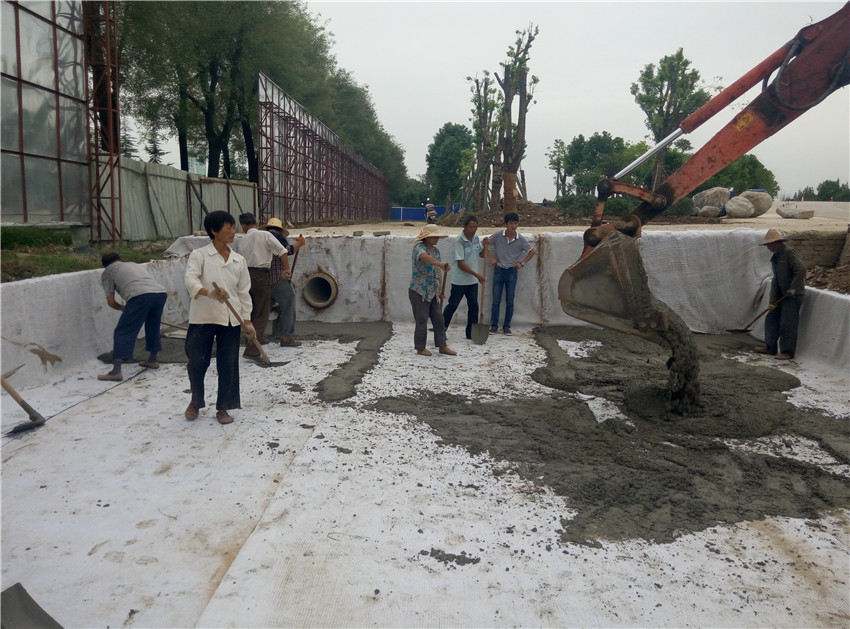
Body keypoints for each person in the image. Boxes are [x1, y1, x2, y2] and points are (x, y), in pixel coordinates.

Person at [184, 211, 256, 425]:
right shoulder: (199, 255)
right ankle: (196, 401)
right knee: (197, 361)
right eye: (229, 228)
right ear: (214, 231)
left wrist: (248, 320)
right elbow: (190, 279)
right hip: (203, 317)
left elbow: (244, 291)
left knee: (228, 364)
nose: (234, 232)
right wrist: (209, 293)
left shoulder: (238, 260)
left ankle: (223, 406)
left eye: (234, 227)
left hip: (230, 321)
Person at [97, 253, 167, 381]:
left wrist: (123, 308)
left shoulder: (107, 272)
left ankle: (116, 371)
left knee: (123, 331)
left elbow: (111, 302)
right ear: (120, 259)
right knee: (153, 326)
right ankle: (152, 360)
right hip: (160, 294)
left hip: (139, 296)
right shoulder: (132, 264)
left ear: (104, 265)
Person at [237, 212, 287, 358]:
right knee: (261, 313)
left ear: (243, 225)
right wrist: (287, 269)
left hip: (245, 276)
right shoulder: (264, 236)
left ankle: (255, 340)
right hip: (261, 275)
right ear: (256, 222)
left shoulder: (242, 241)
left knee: (251, 311)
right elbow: (283, 251)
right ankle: (252, 350)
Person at [754, 228, 806, 360]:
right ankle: (770, 347)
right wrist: (772, 301)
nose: (768, 247)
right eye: (767, 245)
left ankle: (787, 352)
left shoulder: (789, 253)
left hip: (793, 295)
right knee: (771, 319)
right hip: (782, 294)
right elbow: (776, 280)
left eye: (770, 244)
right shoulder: (775, 258)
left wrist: (793, 288)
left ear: (777, 243)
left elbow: (801, 270)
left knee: (787, 323)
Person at [409, 224, 457, 357]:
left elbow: (438, 272)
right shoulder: (419, 248)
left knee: (439, 319)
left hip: (432, 292)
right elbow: (424, 257)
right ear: (427, 237)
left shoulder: (436, 251)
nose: (437, 238)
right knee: (422, 319)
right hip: (418, 291)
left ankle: (442, 345)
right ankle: (420, 348)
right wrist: (440, 264)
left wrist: (440, 290)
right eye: (434, 236)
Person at [488, 212, 536, 335]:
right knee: (496, 299)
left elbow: (531, 251)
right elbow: (485, 243)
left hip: (511, 272)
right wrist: (491, 257)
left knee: (510, 300)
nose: (513, 226)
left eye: (515, 223)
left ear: (517, 224)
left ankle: (506, 326)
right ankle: (494, 325)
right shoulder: (498, 236)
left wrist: (522, 263)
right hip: (499, 269)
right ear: (506, 224)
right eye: (510, 223)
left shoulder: (520, 239)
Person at [443, 215, 488, 339]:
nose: (473, 229)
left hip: (472, 281)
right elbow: (461, 264)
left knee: (474, 306)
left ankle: (471, 333)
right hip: (459, 281)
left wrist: (485, 246)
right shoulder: (459, 241)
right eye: (471, 227)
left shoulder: (476, 238)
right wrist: (477, 275)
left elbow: (482, 255)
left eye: (475, 227)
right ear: (465, 227)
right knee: (453, 305)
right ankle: (441, 329)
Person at [266, 217, 306, 347]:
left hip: (263, 280)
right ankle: (286, 337)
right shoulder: (276, 236)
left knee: (269, 307)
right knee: (287, 305)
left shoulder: (263, 238)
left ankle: (275, 333)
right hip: (278, 279)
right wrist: (299, 244)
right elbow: (287, 250)